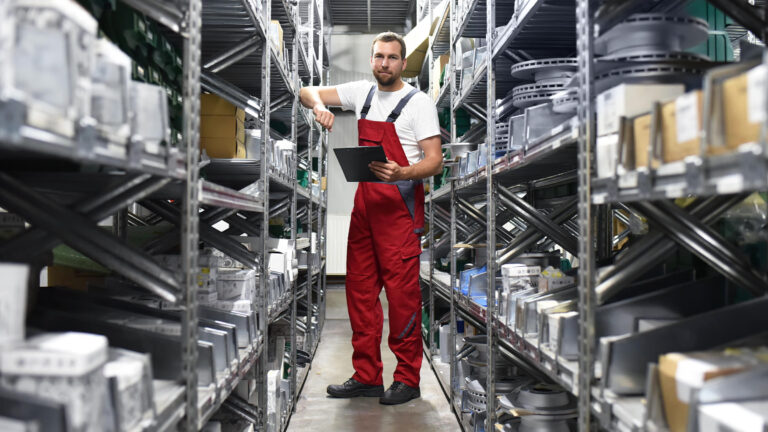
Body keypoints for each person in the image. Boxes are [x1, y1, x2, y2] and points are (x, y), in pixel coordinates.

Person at [299, 31, 442, 405]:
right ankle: (367, 376)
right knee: (359, 294)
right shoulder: (360, 93)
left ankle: (408, 379)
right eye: (379, 56)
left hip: (399, 212)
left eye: (392, 58)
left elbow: (434, 160)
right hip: (364, 211)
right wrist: (318, 107)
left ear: (403, 63)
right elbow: (306, 90)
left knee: (402, 300)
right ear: (371, 59)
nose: (384, 64)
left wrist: (403, 173)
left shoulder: (418, 103)